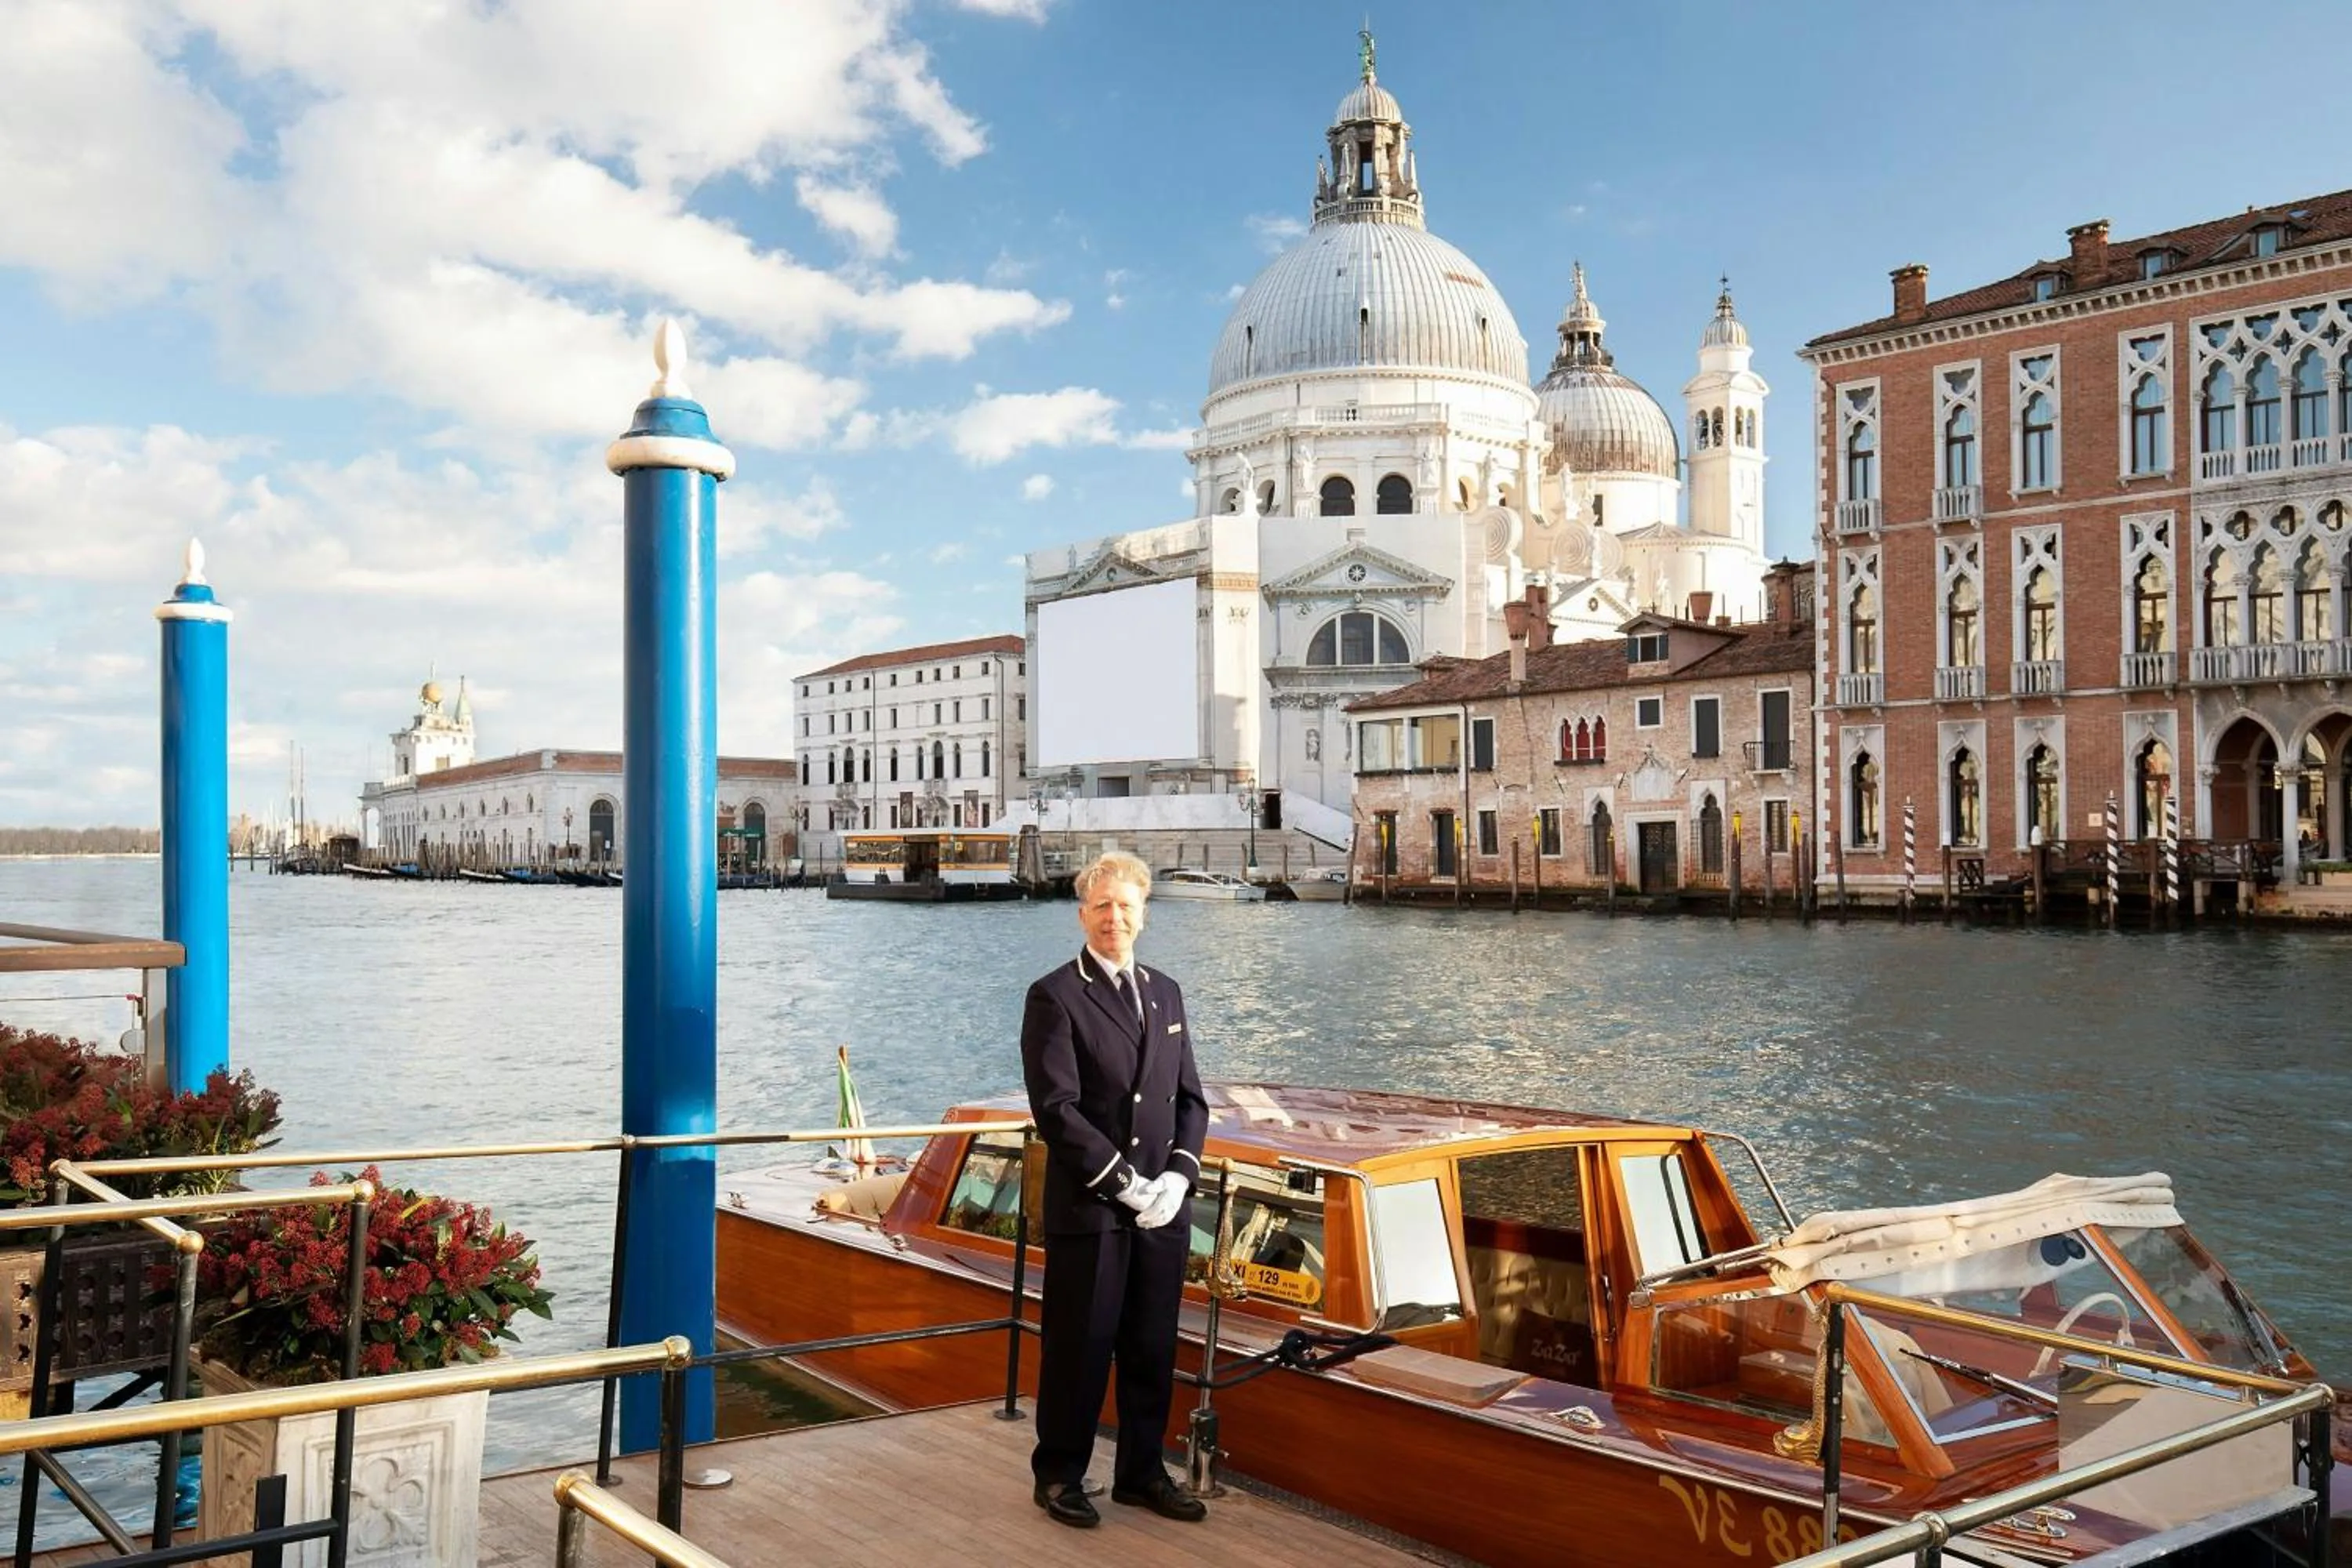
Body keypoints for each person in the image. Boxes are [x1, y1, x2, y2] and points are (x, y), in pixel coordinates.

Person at [1020, 850, 1210, 1529]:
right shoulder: (1055, 995)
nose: (1114, 918)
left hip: (1160, 1207)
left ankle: (1140, 1473)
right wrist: (1124, 1183)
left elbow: (1191, 1098)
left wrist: (1178, 1177)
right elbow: (1057, 1109)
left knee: (1153, 1345)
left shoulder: (1167, 992)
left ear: (1144, 917)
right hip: (1094, 1205)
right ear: (1082, 914)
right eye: (1102, 906)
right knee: (1080, 1346)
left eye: (1126, 906)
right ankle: (1060, 1474)